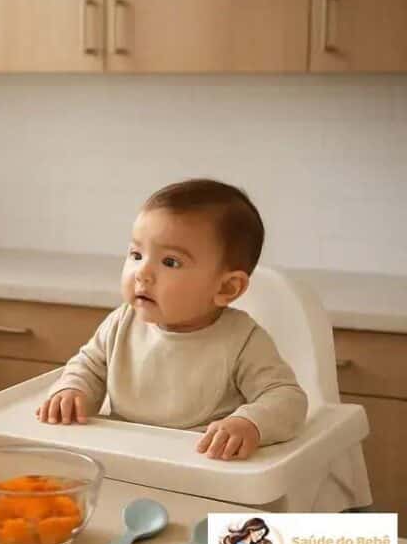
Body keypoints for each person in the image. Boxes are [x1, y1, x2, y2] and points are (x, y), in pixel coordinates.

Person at [36, 179, 307, 460]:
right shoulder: (122, 322)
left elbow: (286, 398)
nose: (142, 273)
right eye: (136, 254)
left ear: (226, 288)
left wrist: (249, 423)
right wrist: (73, 390)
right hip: (123, 457)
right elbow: (88, 367)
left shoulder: (242, 340)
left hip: (200, 463)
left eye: (170, 262)